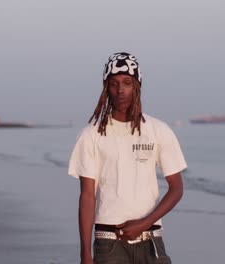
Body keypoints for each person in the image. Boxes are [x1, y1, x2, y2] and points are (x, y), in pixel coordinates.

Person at [68, 52, 188, 264]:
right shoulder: (91, 135)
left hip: (151, 241)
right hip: (109, 244)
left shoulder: (158, 130)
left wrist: (144, 223)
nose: (120, 90)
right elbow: (87, 196)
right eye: (114, 83)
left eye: (127, 82)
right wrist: (85, 253)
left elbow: (176, 188)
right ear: (106, 88)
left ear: (137, 87)